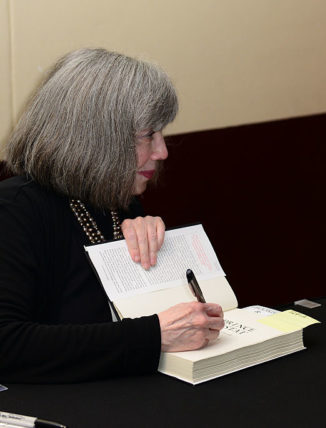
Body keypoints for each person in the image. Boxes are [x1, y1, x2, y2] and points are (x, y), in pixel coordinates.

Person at [0, 48, 225, 383]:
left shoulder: (116, 199)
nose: (162, 152)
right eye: (149, 135)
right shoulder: (14, 209)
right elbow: (8, 346)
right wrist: (153, 336)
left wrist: (153, 258)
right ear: (96, 138)